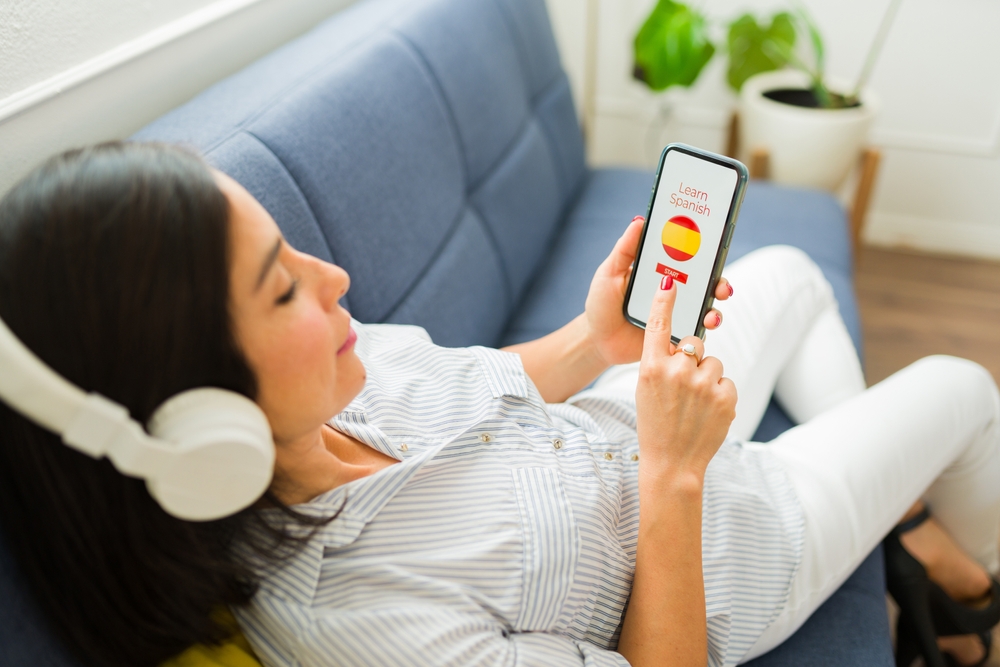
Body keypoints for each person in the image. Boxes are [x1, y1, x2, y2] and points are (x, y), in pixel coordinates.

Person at [0, 142, 997, 667]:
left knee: (785, 270)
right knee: (963, 388)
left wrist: (592, 340)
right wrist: (674, 471)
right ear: (192, 407)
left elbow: (493, 381)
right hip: (735, 540)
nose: (335, 276)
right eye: (281, 288)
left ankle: (898, 521)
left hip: (625, 423)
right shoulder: (357, 622)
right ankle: (968, 578)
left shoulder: (335, 379)